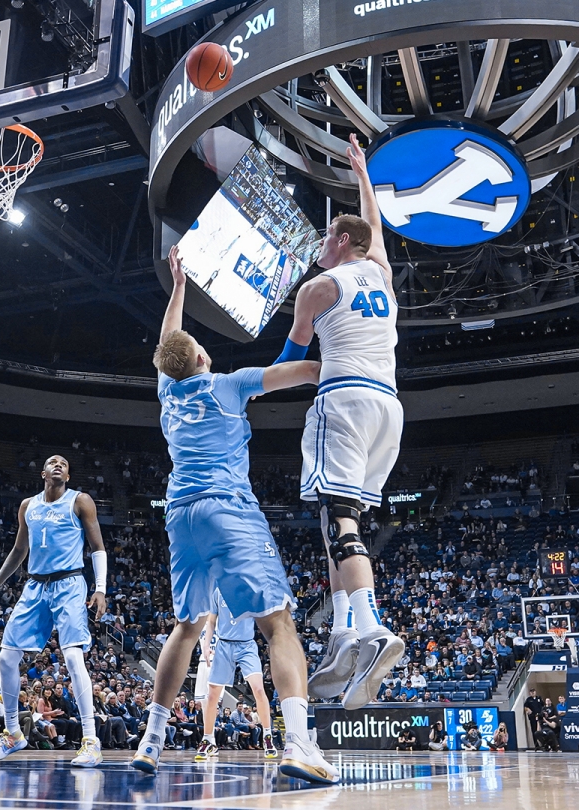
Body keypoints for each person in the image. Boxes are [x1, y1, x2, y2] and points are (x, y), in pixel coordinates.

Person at [129, 246, 336, 784]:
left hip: (181, 516)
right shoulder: (231, 384)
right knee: (279, 622)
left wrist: (177, 287)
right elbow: (301, 370)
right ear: (200, 358)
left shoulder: (167, 392)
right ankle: (299, 742)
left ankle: (151, 741)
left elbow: (166, 343)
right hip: (228, 510)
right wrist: (336, 362)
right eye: (199, 344)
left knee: (187, 626)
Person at [276, 135, 404, 711]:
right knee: (338, 519)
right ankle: (344, 634)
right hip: (389, 408)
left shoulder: (317, 288)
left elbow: (288, 362)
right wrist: (363, 180)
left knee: (338, 517)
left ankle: (370, 624)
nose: (320, 243)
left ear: (342, 240)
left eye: (328, 235)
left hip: (345, 398)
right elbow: (374, 233)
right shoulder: (379, 274)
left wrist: (238, 387)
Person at [0, 455, 108, 768]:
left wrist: (100, 587)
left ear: (68, 473)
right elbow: (19, 551)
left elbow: (98, 546)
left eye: (64, 462)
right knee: (6, 657)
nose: (59, 464)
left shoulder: (81, 501)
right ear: (43, 473)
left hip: (70, 583)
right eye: (53, 462)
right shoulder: (28, 506)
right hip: (35, 586)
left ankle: (90, 741)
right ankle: (12, 734)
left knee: (74, 656)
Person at [194, 590, 277, 761]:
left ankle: (267, 736)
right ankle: (208, 739)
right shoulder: (217, 591)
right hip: (224, 646)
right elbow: (211, 622)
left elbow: (265, 618)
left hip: (246, 645)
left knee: (259, 690)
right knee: (212, 696)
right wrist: (206, 646)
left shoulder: (249, 589)